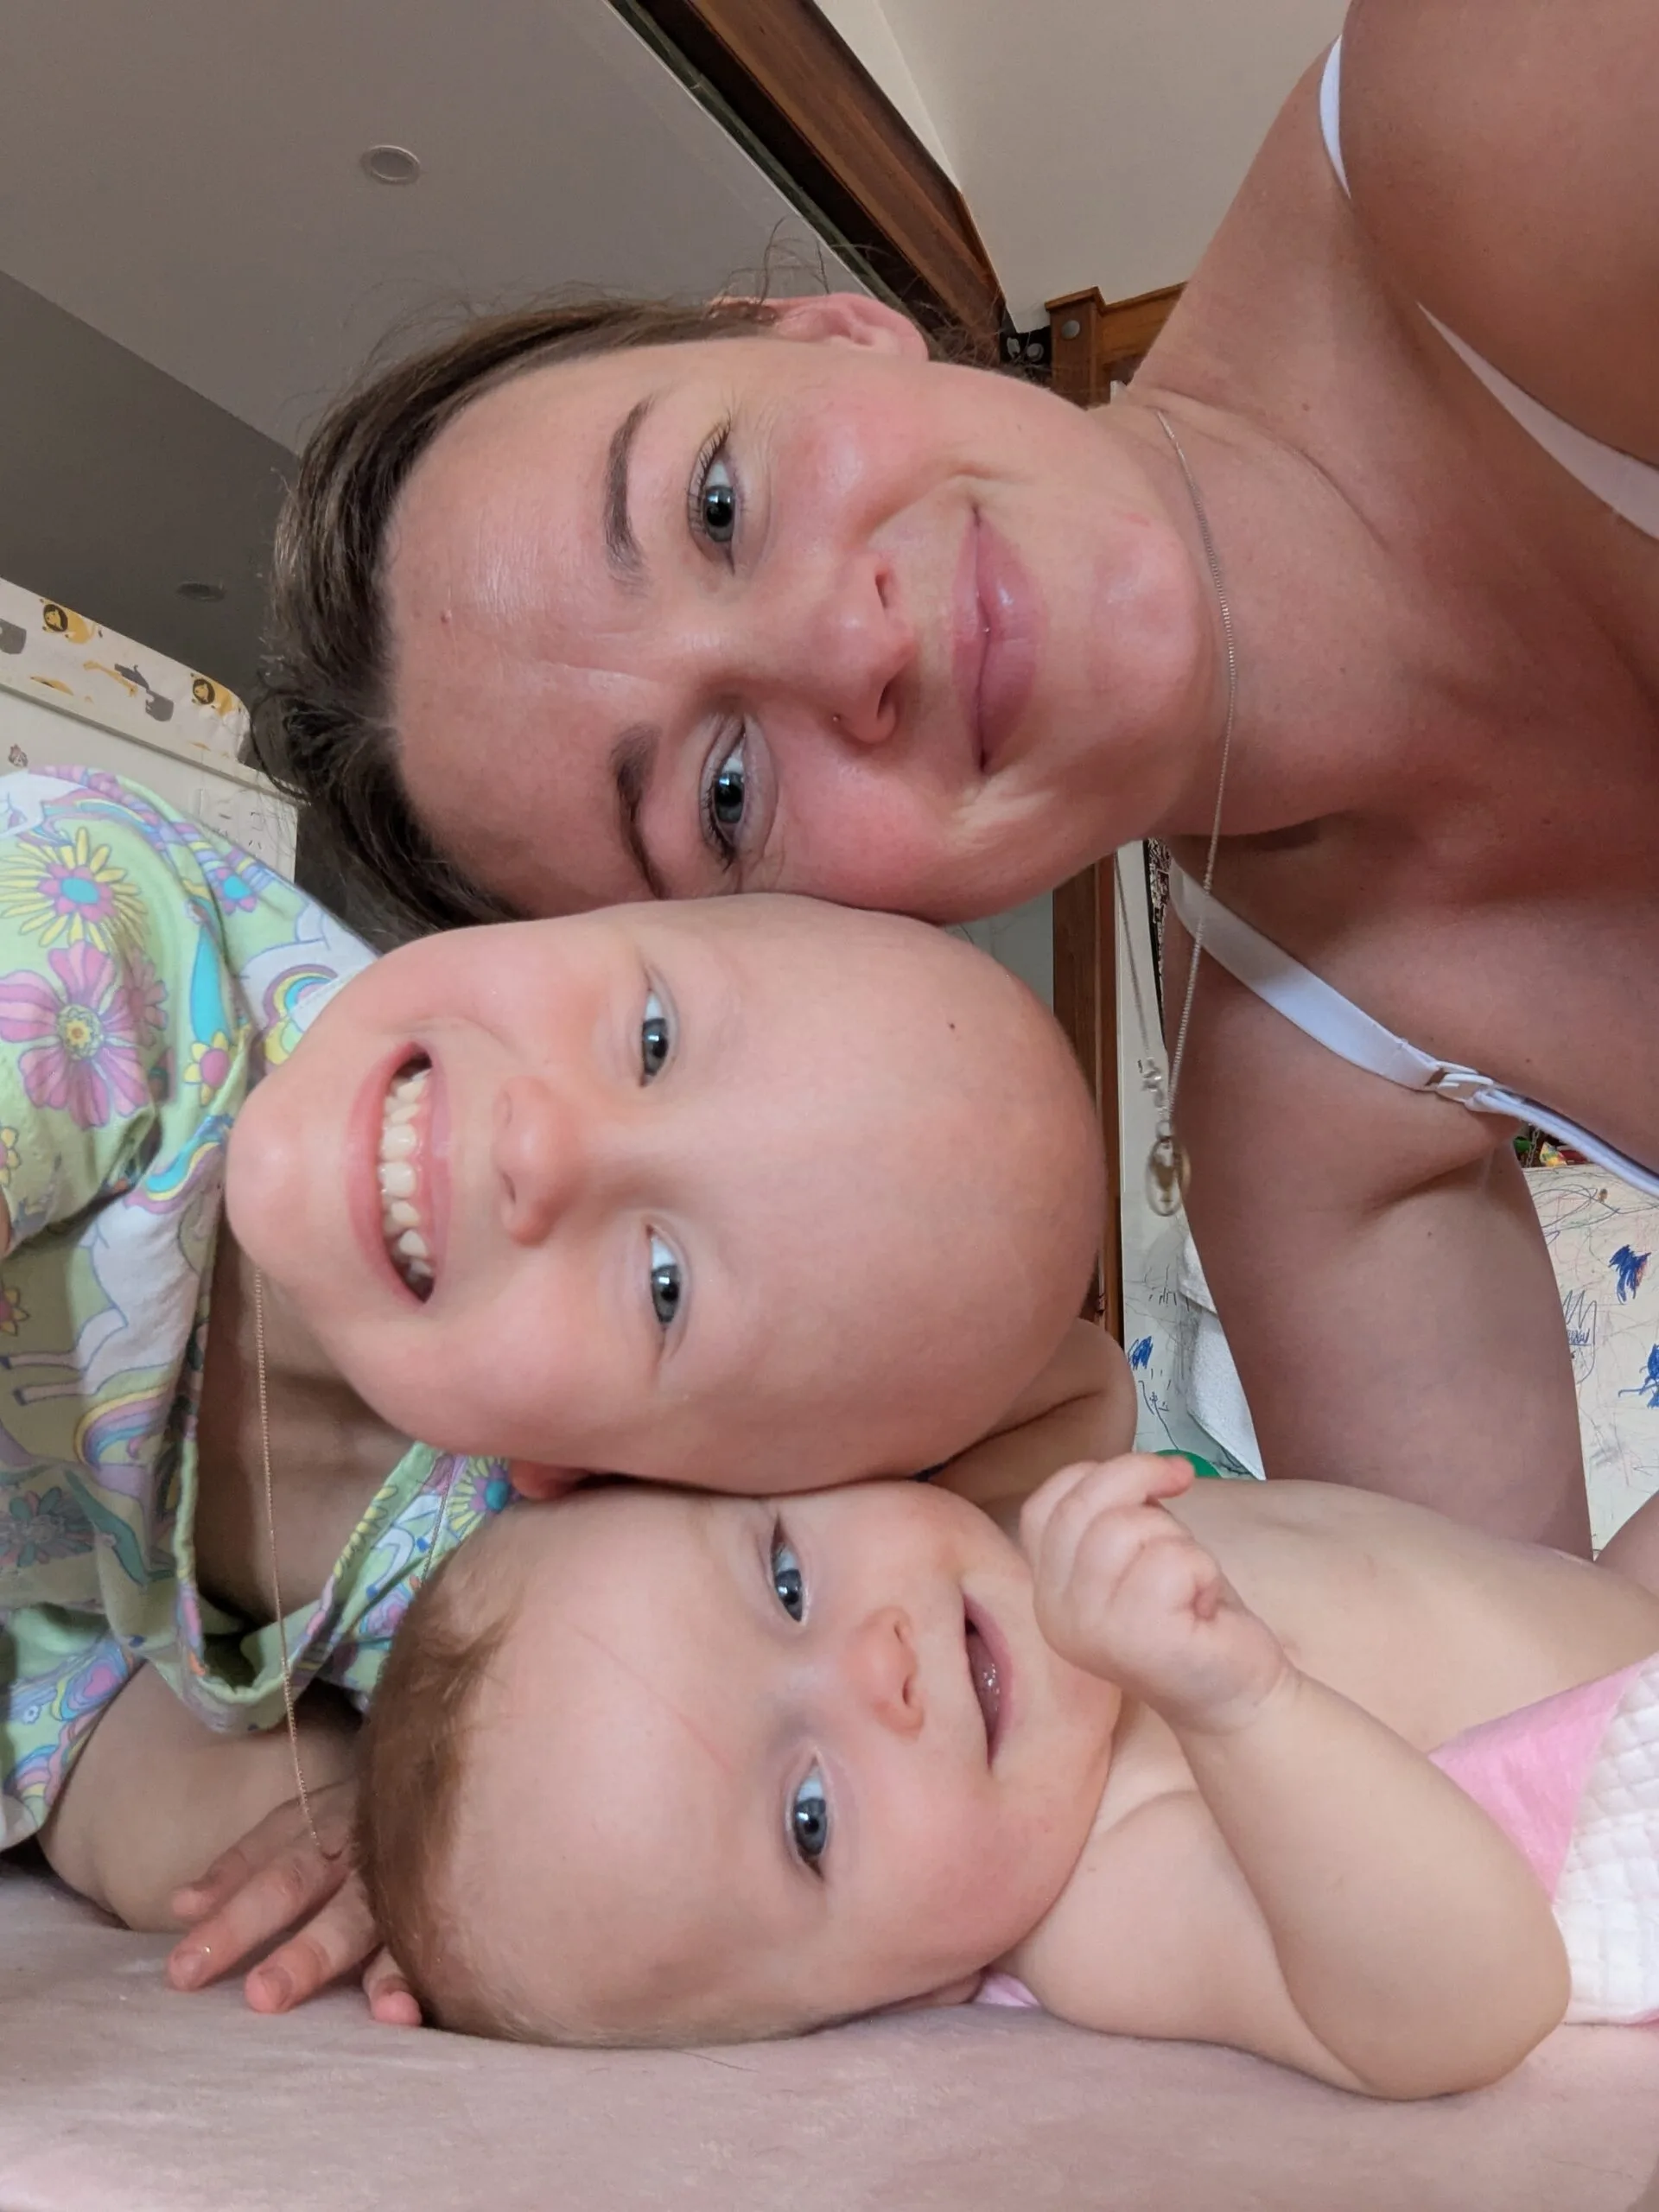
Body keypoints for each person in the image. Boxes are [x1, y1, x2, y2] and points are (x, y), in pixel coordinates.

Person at [254, 0, 1659, 1559]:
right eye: (725, 796)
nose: (837, 645)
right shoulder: (1300, 1123)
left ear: (830, 330)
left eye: (720, 502)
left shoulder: (1492, 112)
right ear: (823, 953)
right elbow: (1550, 1728)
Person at [0, 766, 1103, 2012]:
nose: (542, 1144)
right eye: (652, 1037)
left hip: (68, 1613)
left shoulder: (478, 1536)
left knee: (275, 1842)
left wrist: (419, 1851)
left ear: (605, 1468)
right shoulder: (99, 935)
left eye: (667, 1286)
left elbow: (1077, 1407)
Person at [354, 1376, 1659, 2095]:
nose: (875, 1666)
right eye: (809, 1818)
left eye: (788, 1579)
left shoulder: (1003, 1526)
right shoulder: (1107, 1888)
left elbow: (1061, 1356)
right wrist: (1243, 1707)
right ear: (909, 1991)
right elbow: (1473, 2005)